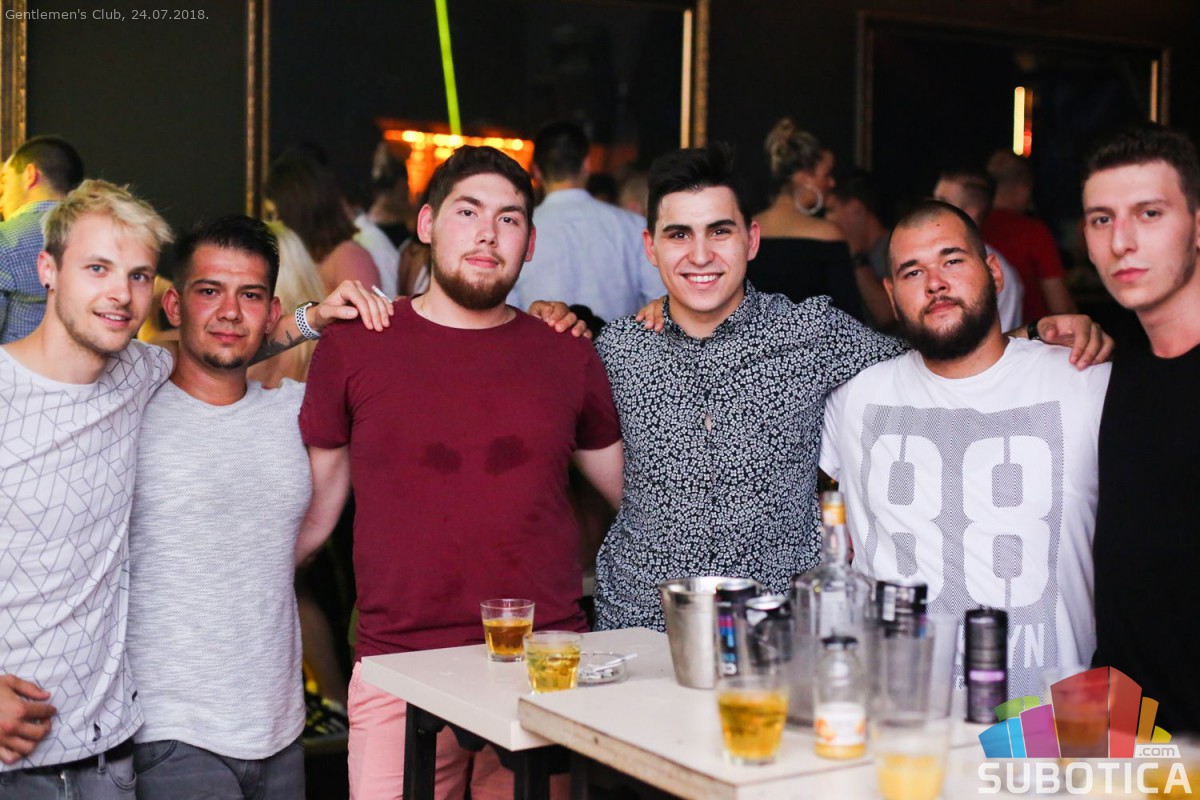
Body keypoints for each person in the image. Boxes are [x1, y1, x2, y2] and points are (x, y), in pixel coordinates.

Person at [597, 145, 1111, 634]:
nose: (700, 254)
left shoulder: (812, 333)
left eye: (719, 231)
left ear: (751, 240)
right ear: (651, 247)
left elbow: (935, 347)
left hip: (773, 634)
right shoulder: (616, 349)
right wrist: (562, 315)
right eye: (679, 235)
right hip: (639, 625)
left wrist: (1032, 334)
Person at [0, 179, 390, 798]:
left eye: (136, 275)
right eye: (98, 268)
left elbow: (226, 338)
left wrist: (315, 317)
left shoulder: (156, 376)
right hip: (103, 740)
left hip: (140, 747)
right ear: (48, 270)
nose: (118, 293)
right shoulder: (82, 387)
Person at [298, 145, 625, 799]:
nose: (487, 234)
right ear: (426, 223)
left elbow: (639, 498)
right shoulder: (355, 344)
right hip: (400, 663)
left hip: (542, 665)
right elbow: (314, 517)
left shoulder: (565, 352)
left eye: (509, 219)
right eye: (468, 212)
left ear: (530, 244)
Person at [819, 200, 1111, 701]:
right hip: (902, 716)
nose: (935, 282)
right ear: (890, 295)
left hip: (1049, 722)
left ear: (993, 272)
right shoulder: (855, 396)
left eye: (952, 260)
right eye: (913, 272)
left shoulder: (1085, 382)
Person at [126, 217, 312, 799]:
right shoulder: (128, 401)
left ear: (271, 311)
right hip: (170, 729)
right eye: (210, 291)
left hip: (279, 726)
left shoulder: (294, 410)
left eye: (249, 295)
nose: (230, 311)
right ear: (174, 305)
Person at [1083, 123, 1200, 732]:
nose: (1121, 242)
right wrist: (1040, 331)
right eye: (1101, 219)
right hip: (1116, 731)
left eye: (1149, 213)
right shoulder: (1116, 367)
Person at [507, 121, 664, 325]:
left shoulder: (516, 231)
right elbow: (659, 301)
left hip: (540, 345)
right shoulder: (633, 226)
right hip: (619, 344)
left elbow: (507, 310)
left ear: (536, 170)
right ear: (587, 164)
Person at [748, 119, 861, 317]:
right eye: (827, 174)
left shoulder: (746, 230)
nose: (832, 183)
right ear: (803, 176)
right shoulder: (829, 234)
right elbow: (849, 318)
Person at [0, 136, 84, 342]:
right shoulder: (106, 236)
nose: (1, 201)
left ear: (30, 174)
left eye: (4, 184)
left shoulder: (5, 239)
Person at [264, 152, 382, 294]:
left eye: (278, 214)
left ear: (299, 211)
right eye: (271, 216)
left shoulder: (348, 257)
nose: (275, 222)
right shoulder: (300, 257)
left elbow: (365, 307)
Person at [984, 149, 1077, 319]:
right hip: (1032, 332)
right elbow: (1061, 307)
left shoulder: (973, 230)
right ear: (1024, 186)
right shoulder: (1034, 233)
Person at [932, 169, 1025, 330]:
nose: (931, 209)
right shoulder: (926, 260)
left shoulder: (999, 274)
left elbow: (1001, 338)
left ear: (970, 213)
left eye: (942, 202)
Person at [826, 169, 895, 329]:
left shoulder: (896, 248)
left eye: (831, 210)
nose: (827, 219)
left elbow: (886, 314)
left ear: (856, 209)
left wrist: (856, 255)